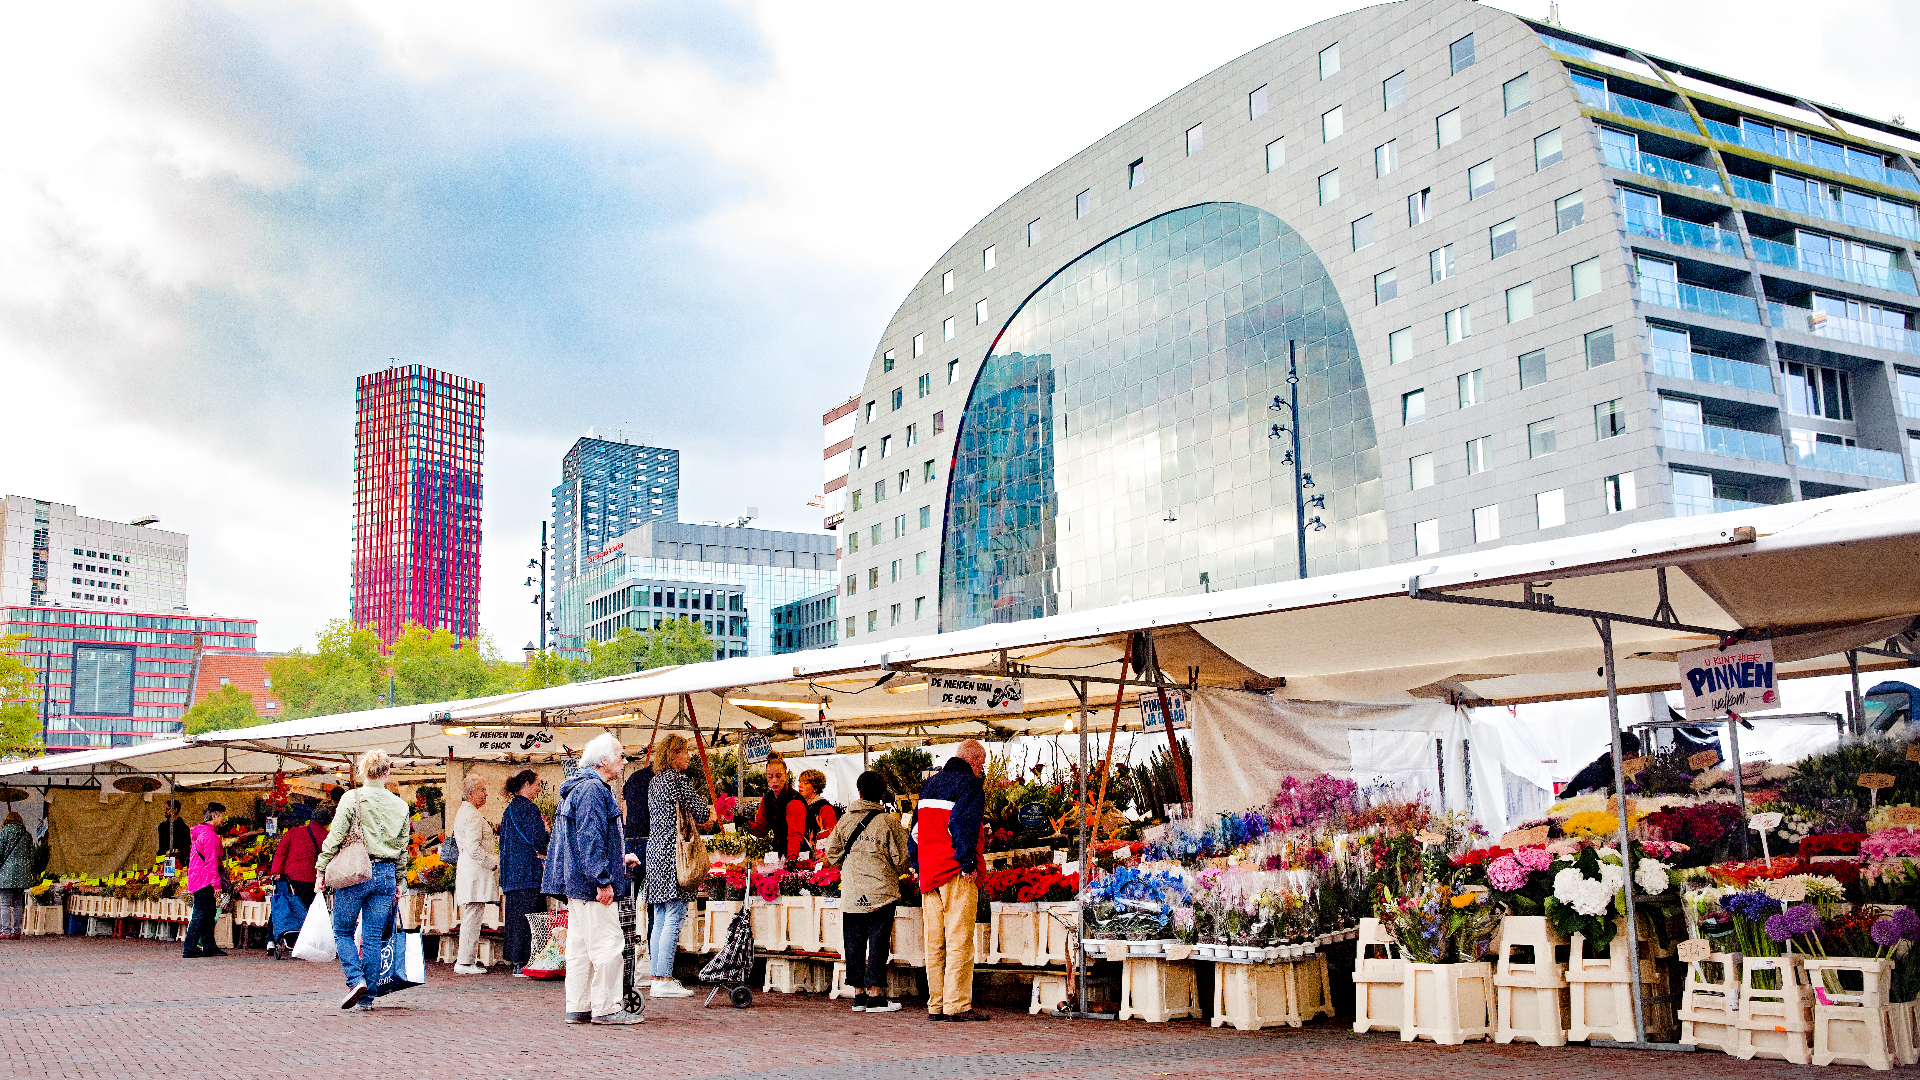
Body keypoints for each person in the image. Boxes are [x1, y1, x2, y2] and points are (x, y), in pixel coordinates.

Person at [543, 732, 644, 1025]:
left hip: (575, 882)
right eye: (621, 756)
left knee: (580, 948)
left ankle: (579, 1006)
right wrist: (602, 879)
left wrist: (615, 859)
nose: (624, 762)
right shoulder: (594, 791)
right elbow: (590, 838)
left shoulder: (578, 789)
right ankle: (607, 1008)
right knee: (607, 944)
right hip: (589, 885)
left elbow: (581, 840)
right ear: (604, 760)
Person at [316, 749, 411, 1012]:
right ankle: (367, 998)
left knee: (343, 931)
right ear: (387, 772)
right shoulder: (401, 806)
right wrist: (400, 879)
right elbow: (403, 848)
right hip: (386, 874)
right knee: (372, 938)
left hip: (355, 872)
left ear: (362, 771)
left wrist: (321, 870)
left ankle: (355, 980)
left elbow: (334, 838)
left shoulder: (351, 798)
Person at [824, 771, 912, 1013]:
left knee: (853, 941)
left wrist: (851, 866)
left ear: (859, 792)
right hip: (881, 890)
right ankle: (875, 995)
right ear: (881, 794)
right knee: (878, 942)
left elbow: (831, 853)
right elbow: (903, 858)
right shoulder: (889, 822)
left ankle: (858, 995)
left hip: (853, 889)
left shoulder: (845, 820)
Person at [916, 740, 989, 1021]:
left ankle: (936, 1004)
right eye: (981, 763)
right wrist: (968, 861)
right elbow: (963, 824)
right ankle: (956, 1004)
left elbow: (916, 832)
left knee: (934, 942)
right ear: (973, 760)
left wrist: (918, 863)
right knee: (959, 938)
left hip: (929, 872)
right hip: (955, 871)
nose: (982, 769)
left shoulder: (929, 786)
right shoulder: (969, 785)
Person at [645, 733, 711, 998]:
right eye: (684, 752)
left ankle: (656, 976)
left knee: (660, 915)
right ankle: (665, 978)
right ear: (673, 755)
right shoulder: (678, 780)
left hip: (655, 852)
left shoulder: (654, 782)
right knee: (674, 914)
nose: (688, 756)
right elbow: (702, 813)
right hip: (675, 853)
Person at [499, 770, 549, 976]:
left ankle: (516, 961)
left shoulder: (509, 810)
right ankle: (528, 961)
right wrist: (546, 830)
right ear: (527, 784)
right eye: (537, 785)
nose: (539, 789)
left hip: (511, 874)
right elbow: (538, 839)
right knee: (532, 918)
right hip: (528, 872)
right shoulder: (529, 809)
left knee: (515, 919)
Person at [452, 774, 500, 975]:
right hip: (474, 869)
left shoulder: (465, 812)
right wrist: (492, 863)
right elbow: (473, 847)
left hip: (469, 868)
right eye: (482, 790)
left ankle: (466, 960)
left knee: (472, 915)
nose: (485, 794)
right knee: (473, 916)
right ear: (471, 793)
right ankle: (465, 962)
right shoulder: (471, 815)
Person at [182, 802, 230, 959]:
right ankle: (189, 948)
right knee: (201, 914)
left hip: (200, 878)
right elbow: (211, 861)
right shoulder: (209, 836)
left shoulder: (201, 833)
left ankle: (209, 946)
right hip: (204, 880)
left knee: (208, 914)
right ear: (214, 816)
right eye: (222, 815)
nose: (223, 819)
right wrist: (216, 884)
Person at [747, 752, 807, 860]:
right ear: (766, 777)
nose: (774, 780)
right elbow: (762, 830)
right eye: (770, 776)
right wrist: (746, 824)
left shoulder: (794, 800)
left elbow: (795, 833)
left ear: (786, 776)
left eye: (779, 776)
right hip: (779, 853)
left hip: (799, 854)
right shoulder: (767, 799)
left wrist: (792, 857)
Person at [269, 806, 331, 907]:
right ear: (327, 822)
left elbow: (281, 852)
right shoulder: (327, 836)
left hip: (291, 877)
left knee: (291, 907)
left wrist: (276, 872)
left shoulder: (294, 831)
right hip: (312, 878)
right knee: (307, 910)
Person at [0, 811, 33, 940]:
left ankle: (6, 931)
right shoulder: (27, 835)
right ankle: (17, 931)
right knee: (18, 902)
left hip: (6, 872)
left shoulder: (4, 833)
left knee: (4, 903)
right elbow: (31, 855)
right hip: (22, 873)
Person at [621, 755, 654, 881]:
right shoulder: (660, 780)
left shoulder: (633, 777)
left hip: (630, 836)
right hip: (649, 836)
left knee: (628, 890)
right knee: (655, 890)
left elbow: (625, 809)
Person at [797, 769, 838, 853]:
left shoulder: (824, 807)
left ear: (815, 788)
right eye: (800, 782)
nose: (800, 785)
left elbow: (832, 835)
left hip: (819, 855)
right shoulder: (799, 806)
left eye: (805, 783)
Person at [158, 799, 190, 867]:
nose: (165, 811)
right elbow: (161, 846)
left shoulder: (184, 828)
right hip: (163, 861)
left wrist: (175, 851)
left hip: (178, 861)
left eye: (168, 809)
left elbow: (187, 848)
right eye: (165, 809)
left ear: (175, 810)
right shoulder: (162, 827)